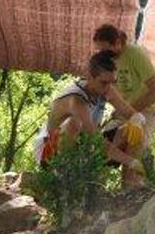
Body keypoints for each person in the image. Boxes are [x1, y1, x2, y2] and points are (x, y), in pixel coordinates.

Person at [32, 50, 148, 186]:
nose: (108, 88)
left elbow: (131, 113)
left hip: (83, 145)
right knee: (73, 123)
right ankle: (64, 180)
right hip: (51, 153)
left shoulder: (106, 88)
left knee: (132, 132)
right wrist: (131, 161)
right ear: (89, 77)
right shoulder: (76, 100)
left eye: (112, 82)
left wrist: (137, 121)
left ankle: (131, 186)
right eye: (104, 83)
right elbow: (96, 141)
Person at [92, 24, 155, 181]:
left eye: (105, 50)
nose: (103, 55)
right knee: (107, 147)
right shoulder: (106, 61)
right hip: (122, 111)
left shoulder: (135, 54)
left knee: (134, 142)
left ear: (117, 42)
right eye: (99, 51)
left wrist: (130, 112)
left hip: (146, 110)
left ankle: (131, 190)